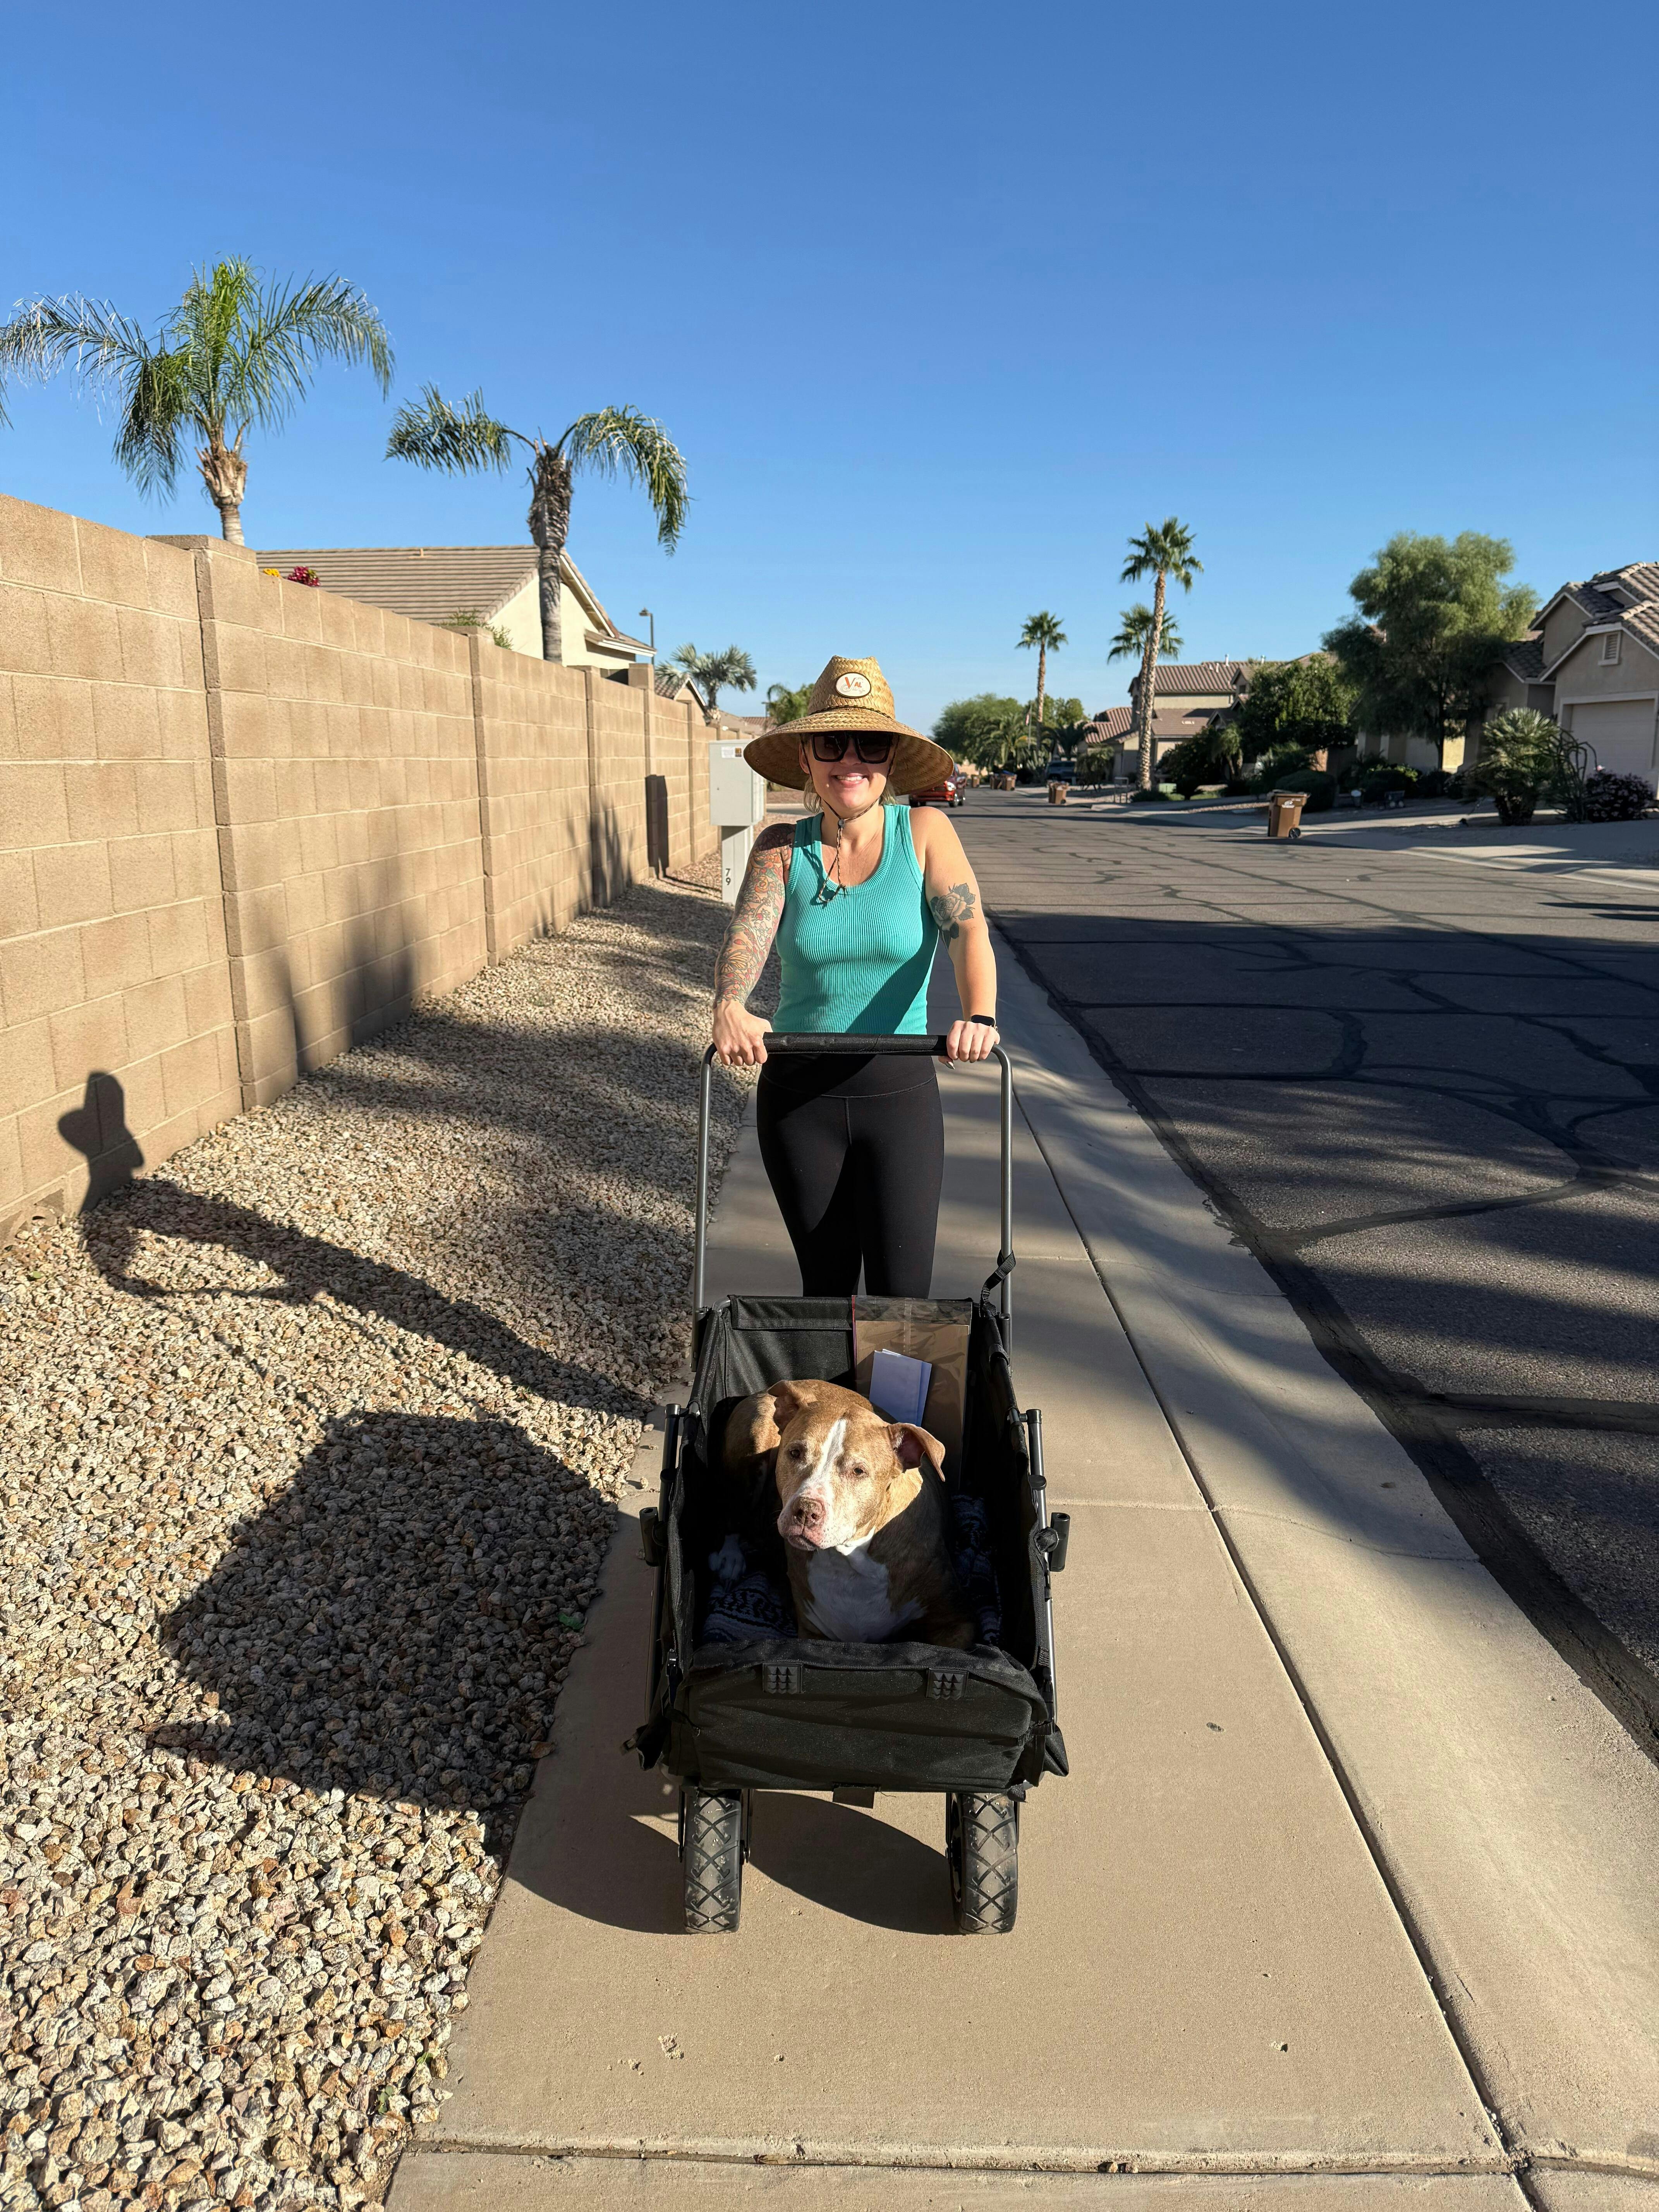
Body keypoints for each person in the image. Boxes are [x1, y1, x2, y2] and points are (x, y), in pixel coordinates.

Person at [711, 654, 999, 1297]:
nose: (851, 761)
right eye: (831, 744)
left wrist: (979, 1015)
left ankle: (893, 1375)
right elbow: (748, 936)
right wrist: (730, 1003)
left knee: (903, 1297)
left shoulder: (924, 833)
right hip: (798, 1096)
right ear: (807, 758)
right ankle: (833, 1372)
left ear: (891, 758)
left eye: (870, 745)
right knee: (827, 1290)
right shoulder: (781, 848)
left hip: (899, 1093)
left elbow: (968, 931)